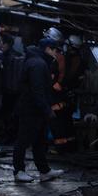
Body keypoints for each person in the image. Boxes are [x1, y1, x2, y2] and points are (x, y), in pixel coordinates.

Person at [13, 37, 65, 183]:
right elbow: (37, 90)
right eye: (55, 50)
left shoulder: (38, 62)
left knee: (39, 141)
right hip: (31, 109)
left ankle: (44, 170)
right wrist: (46, 109)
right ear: (48, 49)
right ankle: (19, 170)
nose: (56, 53)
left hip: (35, 109)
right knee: (24, 140)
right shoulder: (38, 64)